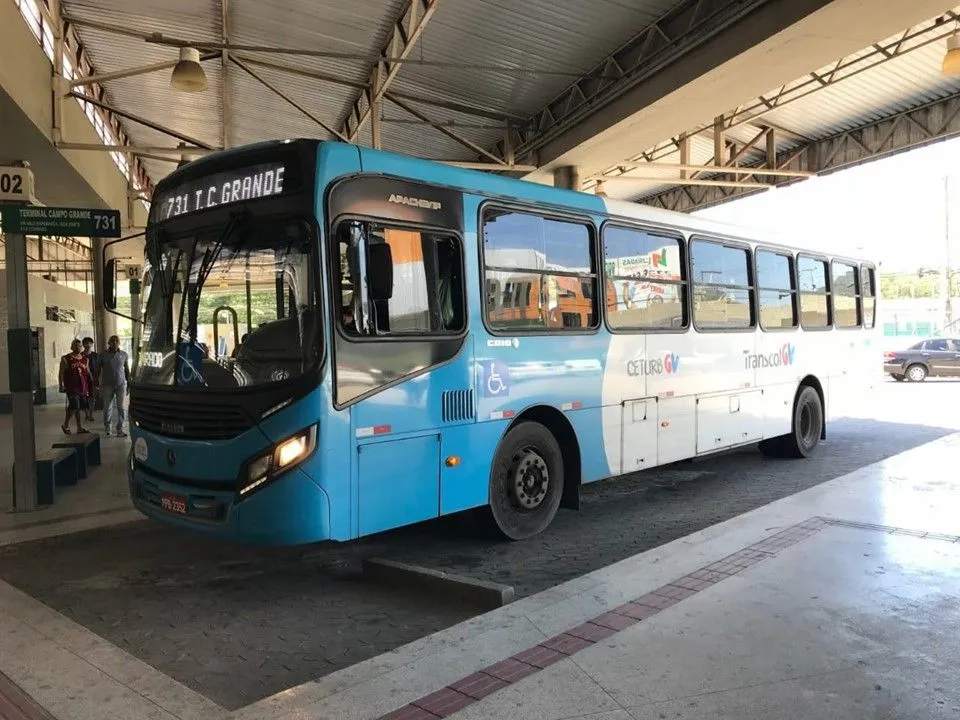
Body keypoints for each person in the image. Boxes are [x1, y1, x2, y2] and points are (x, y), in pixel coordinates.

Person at [98, 334, 131, 437]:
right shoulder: (102, 354)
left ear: (119, 343)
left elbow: (126, 369)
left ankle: (120, 429)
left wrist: (128, 382)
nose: (115, 342)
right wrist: (96, 384)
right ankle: (108, 427)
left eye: (116, 341)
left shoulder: (124, 354)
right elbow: (98, 369)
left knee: (121, 407)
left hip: (120, 384)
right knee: (107, 407)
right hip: (107, 384)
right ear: (109, 342)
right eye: (112, 341)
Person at [58, 339, 93, 434]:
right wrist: (61, 384)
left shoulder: (85, 359)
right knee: (75, 406)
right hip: (71, 387)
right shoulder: (66, 358)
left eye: (79, 345)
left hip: (82, 387)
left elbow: (88, 372)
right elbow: (61, 373)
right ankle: (79, 427)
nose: (78, 347)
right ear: (71, 347)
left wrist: (93, 384)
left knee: (73, 407)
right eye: (75, 345)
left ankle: (65, 425)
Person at [81, 336, 99, 422]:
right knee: (84, 397)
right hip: (83, 379)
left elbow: (99, 368)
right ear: (83, 344)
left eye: (89, 343)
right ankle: (86, 414)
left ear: (92, 344)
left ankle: (91, 414)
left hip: (94, 379)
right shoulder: (80, 356)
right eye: (86, 343)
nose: (88, 345)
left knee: (92, 397)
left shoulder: (96, 355)